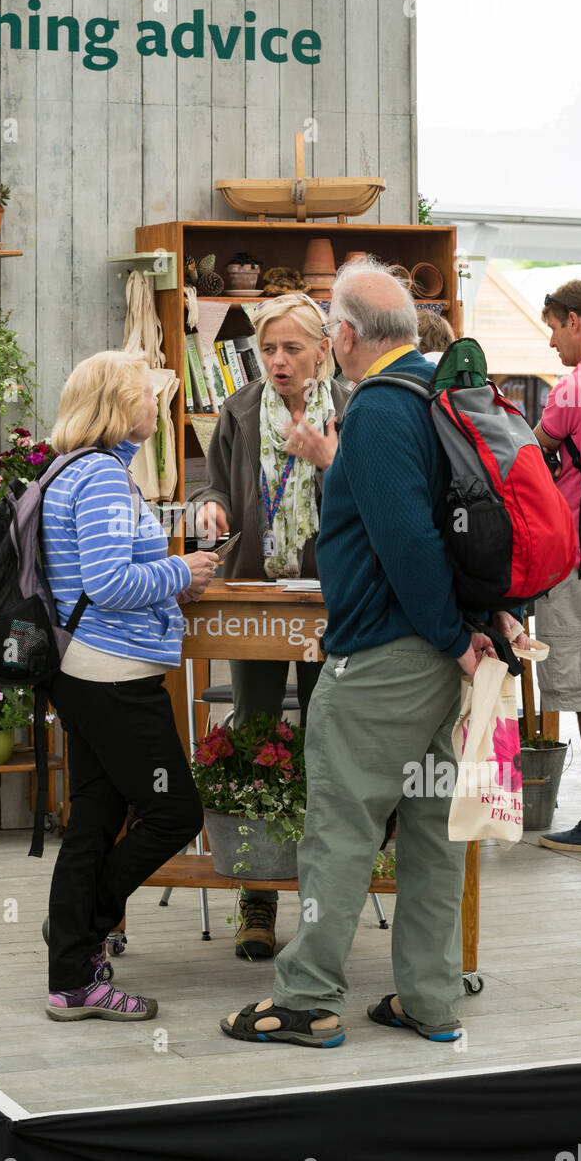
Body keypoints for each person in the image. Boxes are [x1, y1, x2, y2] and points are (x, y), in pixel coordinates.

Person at [220, 256, 526, 1048]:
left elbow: (408, 544)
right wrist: (474, 632)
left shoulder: (382, 409)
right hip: (448, 658)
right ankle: (429, 1000)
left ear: (344, 335)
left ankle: (306, 997)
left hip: (390, 657)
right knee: (431, 829)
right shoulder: (439, 393)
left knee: (340, 826)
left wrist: (454, 639)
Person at [40, 350, 218, 1022]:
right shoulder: (107, 480)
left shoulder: (71, 470)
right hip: (114, 674)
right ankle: (81, 933)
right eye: (148, 395)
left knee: (93, 820)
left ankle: (72, 979)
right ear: (119, 406)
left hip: (82, 671)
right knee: (174, 814)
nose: (158, 405)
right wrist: (183, 571)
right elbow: (109, 584)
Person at [191, 292, 347, 959]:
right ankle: (258, 899)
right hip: (255, 599)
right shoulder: (241, 407)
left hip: (336, 602)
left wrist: (327, 459)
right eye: (268, 349)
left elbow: (382, 496)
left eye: (290, 349)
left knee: (326, 738)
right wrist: (211, 511)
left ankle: (325, 893)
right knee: (256, 737)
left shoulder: (355, 409)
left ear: (323, 349)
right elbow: (216, 486)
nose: (277, 362)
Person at [533, 282, 581, 853]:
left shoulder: (574, 390)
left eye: (553, 327)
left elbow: (532, 458)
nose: (551, 341)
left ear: (576, 321)